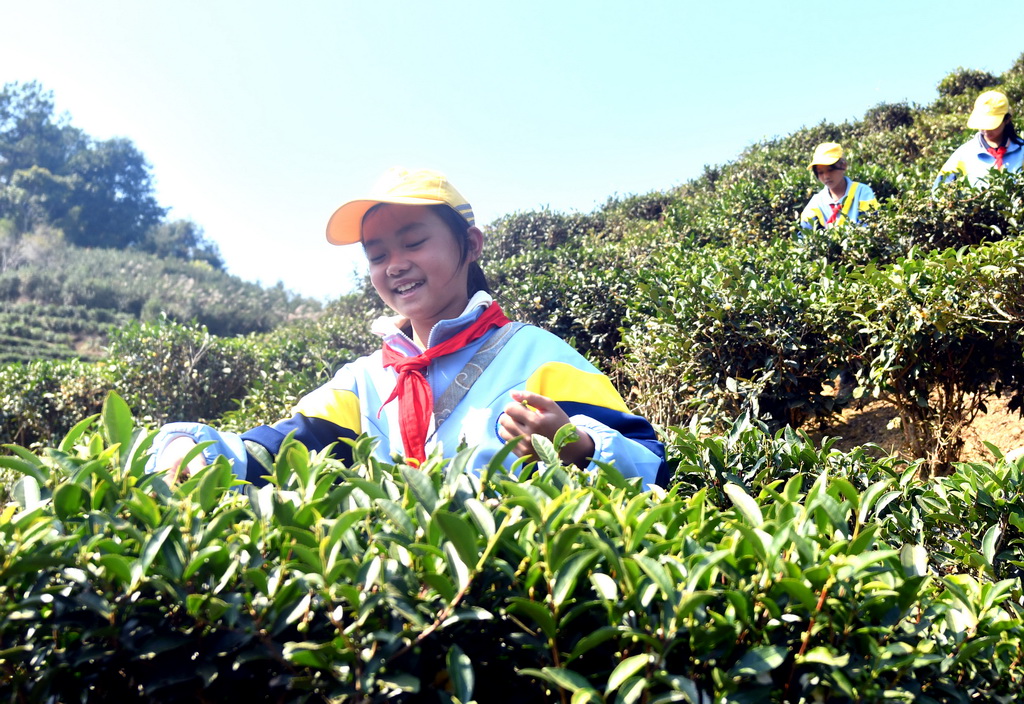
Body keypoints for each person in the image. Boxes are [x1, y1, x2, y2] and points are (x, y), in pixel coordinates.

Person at [147, 167, 669, 487]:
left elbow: (649, 465)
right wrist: (189, 451)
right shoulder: (364, 382)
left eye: (414, 243)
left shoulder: (537, 357)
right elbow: (273, 450)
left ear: (471, 245)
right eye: (377, 255)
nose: (394, 264)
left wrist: (575, 444)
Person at [934, 90, 1024, 189]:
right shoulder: (963, 154)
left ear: (1007, 120)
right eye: (982, 123)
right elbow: (939, 191)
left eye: (991, 124)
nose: (986, 129)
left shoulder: (1022, 151)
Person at [799, 142, 879, 230]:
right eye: (820, 172)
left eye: (830, 170)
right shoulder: (816, 202)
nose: (826, 176)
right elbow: (806, 233)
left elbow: (870, 224)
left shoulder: (862, 192)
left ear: (843, 165)